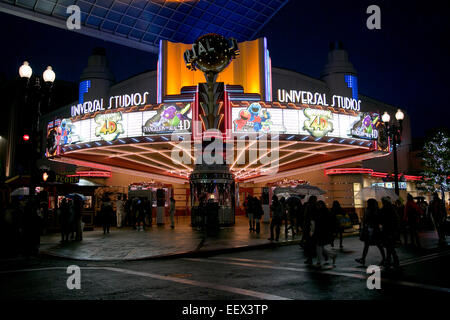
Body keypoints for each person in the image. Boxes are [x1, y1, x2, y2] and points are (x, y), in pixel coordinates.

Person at [355, 198, 386, 266]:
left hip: (373, 230)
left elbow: (375, 220)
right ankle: (363, 259)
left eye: (368, 203)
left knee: (377, 244)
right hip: (370, 229)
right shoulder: (372, 210)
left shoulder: (373, 211)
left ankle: (383, 258)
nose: (367, 204)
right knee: (370, 245)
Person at [313, 201, 337, 267]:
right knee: (320, 247)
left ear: (321, 205)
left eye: (318, 205)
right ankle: (332, 255)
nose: (317, 206)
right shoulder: (324, 212)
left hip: (322, 232)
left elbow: (322, 223)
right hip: (323, 232)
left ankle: (319, 261)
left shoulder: (323, 213)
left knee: (319, 246)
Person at [380, 197, 400, 269]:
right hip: (390, 229)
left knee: (389, 246)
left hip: (388, 229)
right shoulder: (391, 208)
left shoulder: (385, 209)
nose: (382, 202)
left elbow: (382, 219)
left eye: (382, 201)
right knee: (389, 246)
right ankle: (390, 260)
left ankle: (393, 259)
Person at [302, 196, 318, 264]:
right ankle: (311, 258)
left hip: (310, 226)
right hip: (311, 226)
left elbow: (305, 216)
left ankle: (310, 258)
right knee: (312, 244)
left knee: (310, 243)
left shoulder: (309, 206)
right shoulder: (314, 207)